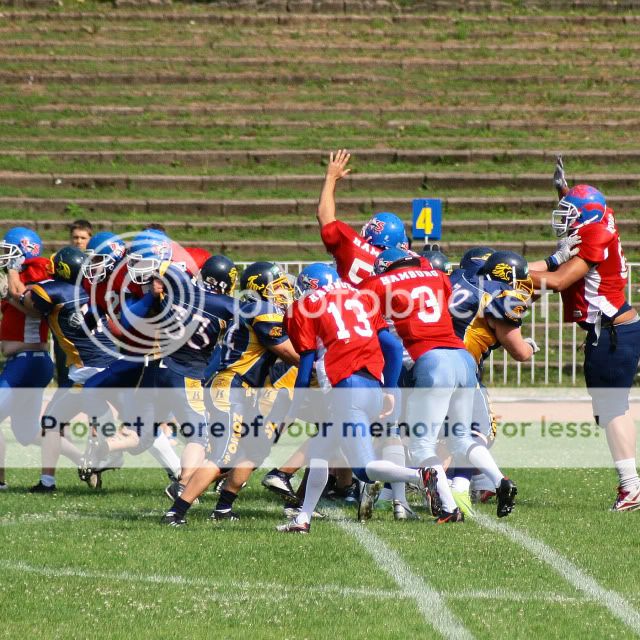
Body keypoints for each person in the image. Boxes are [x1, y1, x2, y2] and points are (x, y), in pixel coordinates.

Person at [362, 248, 518, 521]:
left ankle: (448, 507)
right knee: (460, 438)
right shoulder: (437, 277)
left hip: (432, 361)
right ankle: (499, 479)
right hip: (463, 358)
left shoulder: (378, 284)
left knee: (422, 444)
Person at [277, 264, 433, 533]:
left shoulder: (307, 307)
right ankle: (303, 518)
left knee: (363, 469)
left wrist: (292, 409)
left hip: (345, 390)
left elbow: (305, 367)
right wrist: (389, 389)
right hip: (371, 384)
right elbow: (393, 346)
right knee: (320, 453)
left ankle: (420, 476)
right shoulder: (360, 297)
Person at [528, 156, 640, 511]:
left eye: (571, 215)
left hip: (611, 332)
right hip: (611, 330)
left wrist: (509, 275)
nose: (565, 222)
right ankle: (631, 485)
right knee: (611, 409)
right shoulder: (599, 218)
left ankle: (632, 487)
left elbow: (560, 280)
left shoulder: (594, 233)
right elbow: (586, 211)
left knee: (612, 410)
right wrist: (564, 190)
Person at [162, 261, 299, 526]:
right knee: (224, 455)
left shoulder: (252, 309)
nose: (285, 290)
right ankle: (176, 510)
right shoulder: (263, 311)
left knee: (256, 448)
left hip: (244, 391)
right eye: (279, 284)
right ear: (264, 287)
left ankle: (223, 507)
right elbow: (288, 353)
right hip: (232, 388)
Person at [447, 250, 537, 512]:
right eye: (518, 279)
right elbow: (519, 351)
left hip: (428, 359)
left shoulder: (461, 278)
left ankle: (395, 495)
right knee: (481, 431)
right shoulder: (502, 295)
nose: (521, 285)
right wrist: (531, 346)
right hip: (460, 367)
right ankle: (459, 491)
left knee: (427, 434)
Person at [0, 227, 53, 490]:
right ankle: (86, 457)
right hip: (24, 362)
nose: (4, 257)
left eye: (9, 251)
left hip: (28, 360)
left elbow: (36, 311)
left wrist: (10, 283)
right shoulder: (18, 278)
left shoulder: (36, 272)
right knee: (26, 433)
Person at [317, 149, 408, 286]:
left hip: (348, 304)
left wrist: (331, 177)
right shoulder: (410, 263)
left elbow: (324, 216)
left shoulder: (351, 246)